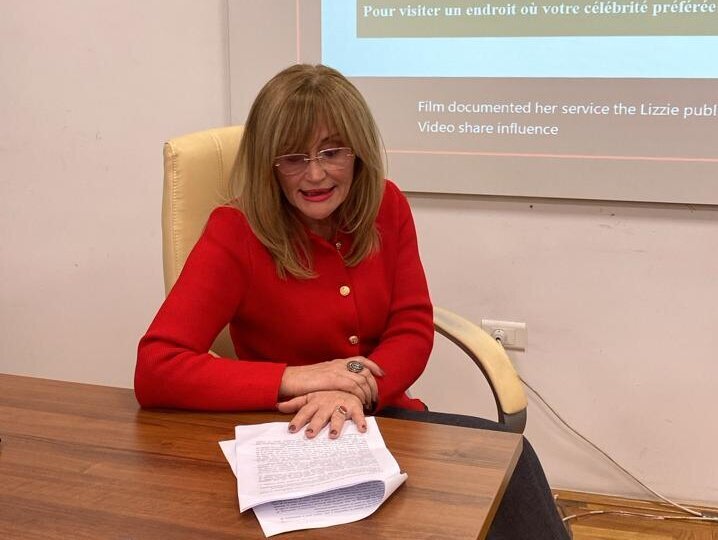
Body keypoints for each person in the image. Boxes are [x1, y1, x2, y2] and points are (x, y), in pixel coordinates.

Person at [135, 64, 569, 539]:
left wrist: (354, 386)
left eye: (332, 152)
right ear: (268, 164)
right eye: (293, 158)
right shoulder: (235, 230)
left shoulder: (386, 204)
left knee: (512, 463)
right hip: (289, 435)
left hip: (384, 419)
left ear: (357, 151)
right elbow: (157, 367)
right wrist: (299, 378)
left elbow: (411, 325)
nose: (315, 174)